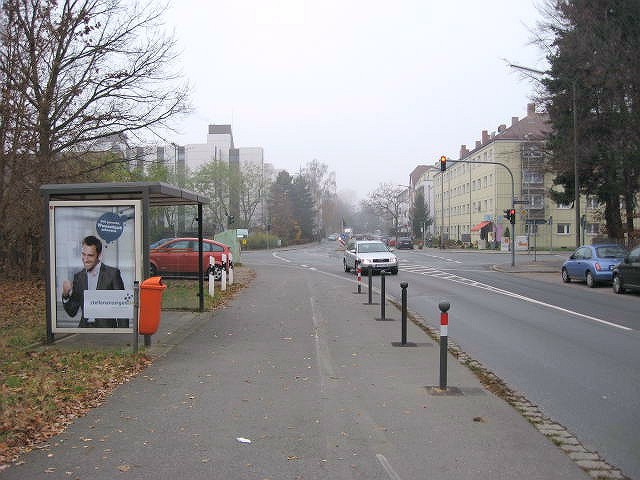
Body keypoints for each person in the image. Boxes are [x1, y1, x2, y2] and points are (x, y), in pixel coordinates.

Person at [61, 235, 127, 328]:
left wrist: (122, 336)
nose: (85, 259)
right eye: (83, 254)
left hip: (106, 332)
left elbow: (122, 309)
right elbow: (72, 312)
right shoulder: (79, 277)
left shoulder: (112, 274)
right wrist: (65, 294)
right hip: (84, 331)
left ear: (99, 255)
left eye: (90, 255)